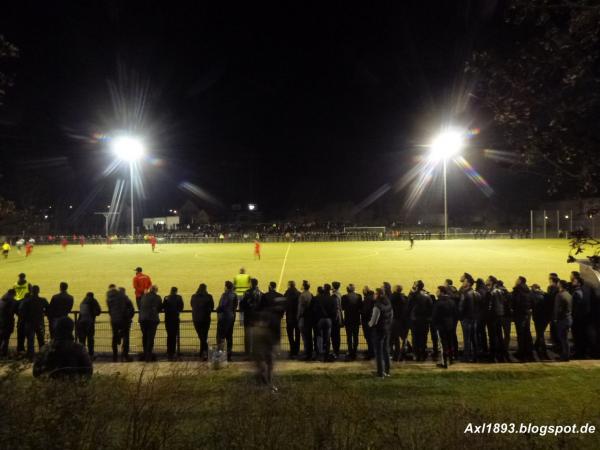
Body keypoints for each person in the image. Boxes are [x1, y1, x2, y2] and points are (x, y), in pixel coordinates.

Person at [369, 287, 393, 378]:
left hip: (378, 331)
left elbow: (373, 321)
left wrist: (369, 324)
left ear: (378, 295)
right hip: (387, 329)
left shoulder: (377, 306)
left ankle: (380, 373)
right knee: (386, 350)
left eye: (375, 293)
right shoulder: (388, 303)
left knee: (379, 352)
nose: (374, 295)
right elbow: (391, 316)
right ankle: (387, 371)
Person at [19, 285, 49, 358]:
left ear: (31, 291)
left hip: (29, 322)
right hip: (39, 322)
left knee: (30, 340)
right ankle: (42, 355)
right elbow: (49, 309)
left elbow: (21, 311)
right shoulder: (43, 300)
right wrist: (43, 312)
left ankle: (30, 355)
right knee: (41, 339)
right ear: (38, 291)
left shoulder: (27, 301)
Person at [107, 285, 134, 362]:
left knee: (114, 337)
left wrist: (113, 316)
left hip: (114, 320)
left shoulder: (109, 297)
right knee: (126, 337)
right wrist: (129, 317)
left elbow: (110, 310)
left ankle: (115, 357)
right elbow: (131, 308)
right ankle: (125, 356)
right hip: (124, 320)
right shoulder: (123, 296)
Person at [432, 286, 457, 368]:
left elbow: (435, 315)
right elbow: (455, 313)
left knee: (443, 344)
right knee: (450, 343)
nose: (436, 292)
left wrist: (435, 325)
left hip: (441, 326)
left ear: (442, 292)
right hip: (450, 324)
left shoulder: (438, 302)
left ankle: (444, 362)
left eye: (438, 291)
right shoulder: (452, 301)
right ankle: (451, 359)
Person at [458, 273, 480, 362]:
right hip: (474, 319)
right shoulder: (477, 293)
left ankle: (466, 357)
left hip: (466, 319)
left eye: (465, 281)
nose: (463, 283)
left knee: (466, 339)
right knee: (474, 338)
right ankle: (475, 356)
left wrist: (460, 317)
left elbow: (461, 308)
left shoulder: (465, 294)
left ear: (469, 283)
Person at [409, 280, 433, 361]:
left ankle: (416, 355)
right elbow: (430, 308)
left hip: (415, 320)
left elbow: (408, 307)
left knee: (415, 338)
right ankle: (423, 354)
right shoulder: (427, 295)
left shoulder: (412, 295)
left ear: (416, 286)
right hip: (425, 320)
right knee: (423, 338)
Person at [138, 285, 162, 362]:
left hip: (142, 319)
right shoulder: (157, 297)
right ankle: (148, 356)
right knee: (150, 338)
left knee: (145, 337)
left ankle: (145, 354)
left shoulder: (143, 296)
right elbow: (159, 308)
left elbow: (140, 306)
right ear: (156, 290)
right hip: (152, 320)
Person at [512, 276, 534, 361]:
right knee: (527, 333)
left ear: (520, 281)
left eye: (517, 279)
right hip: (527, 314)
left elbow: (516, 302)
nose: (516, 280)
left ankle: (521, 353)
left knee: (520, 334)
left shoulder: (518, 290)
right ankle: (529, 351)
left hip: (520, 315)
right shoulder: (527, 290)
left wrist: (513, 310)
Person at [190, 283, 214, 360]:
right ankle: (205, 352)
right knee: (204, 336)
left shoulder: (194, 296)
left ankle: (202, 352)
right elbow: (212, 307)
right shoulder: (209, 296)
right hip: (206, 319)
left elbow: (192, 305)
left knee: (201, 336)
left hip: (196, 319)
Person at [239, 278, 262, 356]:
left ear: (251, 284)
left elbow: (242, 304)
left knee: (247, 336)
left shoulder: (247, 293)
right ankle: (257, 354)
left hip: (248, 317)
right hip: (257, 318)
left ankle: (247, 354)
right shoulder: (260, 293)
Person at [570, 271, 591, 359]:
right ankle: (582, 352)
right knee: (582, 336)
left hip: (578, 319)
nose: (572, 282)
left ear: (578, 283)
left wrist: (573, 316)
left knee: (577, 336)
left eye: (574, 281)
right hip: (585, 317)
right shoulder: (585, 290)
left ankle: (579, 354)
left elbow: (576, 307)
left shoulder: (577, 292)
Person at [313, 285, 336, 361]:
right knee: (327, 338)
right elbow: (334, 311)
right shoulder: (332, 298)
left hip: (319, 320)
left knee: (319, 337)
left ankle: (319, 355)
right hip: (329, 320)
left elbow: (314, 310)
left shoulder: (318, 298)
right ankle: (326, 356)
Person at [216, 280, 237, 361]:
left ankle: (221, 356)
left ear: (226, 287)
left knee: (220, 337)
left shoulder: (225, 295)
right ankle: (229, 355)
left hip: (224, 319)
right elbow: (235, 307)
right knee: (229, 337)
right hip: (231, 318)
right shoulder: (234, 295)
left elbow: (222, 306)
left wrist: (218, 309)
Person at [76, 292, 101, 358]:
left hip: (81, 322)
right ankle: (90, 354)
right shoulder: (93, 301)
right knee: (90, 338)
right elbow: (98, 311)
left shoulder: (83, 301)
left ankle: (82, 354)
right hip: (89, 322)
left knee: (82, 339)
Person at [341, 284, 362, 360]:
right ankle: (355, 351)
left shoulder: (344, 297)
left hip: (348, 320)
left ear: (347, 289)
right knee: (355, 336)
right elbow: (360, 307)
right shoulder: (359, 296)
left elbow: (342, 308)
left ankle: (350, 352)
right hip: (356, 319)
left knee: (349, 337)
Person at [163, 287, 184, 360]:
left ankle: (169, 352)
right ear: (176, 291)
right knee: (174, 336)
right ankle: (173, 352)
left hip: (167, 319)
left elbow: (163, 308)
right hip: (175, 319)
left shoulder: (166, 297)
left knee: (169, 335)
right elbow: (181, 308)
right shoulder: (179, 298)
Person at [554, 280, 573, 361]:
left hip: (562, 320)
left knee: (563, 339)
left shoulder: (560, 295)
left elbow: (558, 309)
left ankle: (565, 356)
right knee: (564, 339)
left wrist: (555, 319)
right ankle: (565, 355)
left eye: (558, 283)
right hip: (568, 318)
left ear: (561, 285)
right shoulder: (568, 294)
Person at [531, 283, 550, 359]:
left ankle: (543, 351)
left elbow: (534, 306)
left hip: (538, 318)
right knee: (540, 333)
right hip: (546, 317)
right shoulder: (545, 294)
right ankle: (536, 346)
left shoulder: (534, 296)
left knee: (540, 334)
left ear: (534, 288)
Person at [389, 285, 409, 361]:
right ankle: (399, 355)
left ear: (395, 289)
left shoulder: (393, 297)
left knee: (392, 339)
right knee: (399, 339)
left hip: (394, 320)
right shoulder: (403, 297)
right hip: (402, 321)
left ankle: (393, 355)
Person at [297, 280, 314, 360]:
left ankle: (306, 354)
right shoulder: (311, 294)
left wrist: (298, 317)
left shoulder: (302, 295)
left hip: (303, 318)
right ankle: (310, 353)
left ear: (303, 286)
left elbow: (301, 309)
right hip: (310, 318)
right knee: (309, 336)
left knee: (304, 337)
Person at [284, 280, 301, 358]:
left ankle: (292, 350)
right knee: (297, 335)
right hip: (297, 318)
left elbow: (284, 304)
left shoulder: (287, 293)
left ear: (289, 285)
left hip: (289, 318)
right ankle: (297, 350)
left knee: (290, 335)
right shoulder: (299, 293)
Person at [0, 289, 17, 357]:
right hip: (7, 323)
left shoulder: (1, 300)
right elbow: (18, 312)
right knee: (6, 338)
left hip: (0, 321)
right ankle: (4, 353)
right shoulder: (13, 302)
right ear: (13, 294)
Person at [361, 286, 375, 359]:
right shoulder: (372, 297)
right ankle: (372, 351)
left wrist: (360, 312)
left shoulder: (367, 299)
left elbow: (365, 311)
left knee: (369, 338)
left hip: (367, 321)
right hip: (372, 320)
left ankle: (371, 353)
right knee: (372, 337)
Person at [330, 281, 343, 359]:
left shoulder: (334, 296)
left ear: (333, 287)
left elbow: (335, 309)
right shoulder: (339, 294)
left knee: (335, 336)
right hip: (339, 317)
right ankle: (336, 351)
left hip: (336, 319)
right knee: (336, 335)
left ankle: (336, 352)